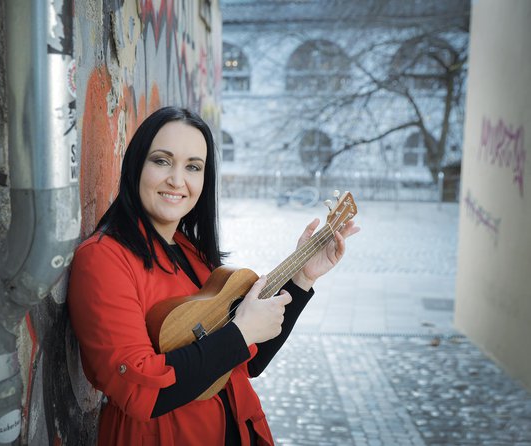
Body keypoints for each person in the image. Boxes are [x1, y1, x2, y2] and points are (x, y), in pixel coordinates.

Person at [67, 106, 359, 445]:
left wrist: (302, 279)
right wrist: (240, 331)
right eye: (162, 161)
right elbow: (138, 392)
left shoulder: (192, 252)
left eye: (193, 166)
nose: (177, 180)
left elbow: (246, 363)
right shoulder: (103, 259)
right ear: (135, 166)